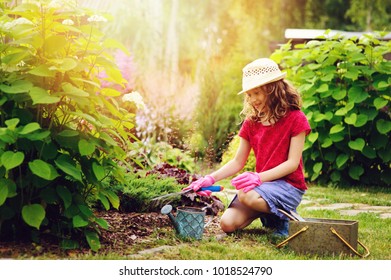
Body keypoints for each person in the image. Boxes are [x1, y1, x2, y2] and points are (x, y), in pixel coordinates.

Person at [185, 58, 311, 240]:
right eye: (249, 95)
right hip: (262, 187)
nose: (252, 100)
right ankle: (270, 213)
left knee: (246, 195)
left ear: (272, 88)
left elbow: (292, 164)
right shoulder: (252, 122)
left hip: (288, 186)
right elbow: (238, 161)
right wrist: (209, 178)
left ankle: (284, 218)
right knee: (227, 224)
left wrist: (258, 177)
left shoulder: (296, 118)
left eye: (257, 93)